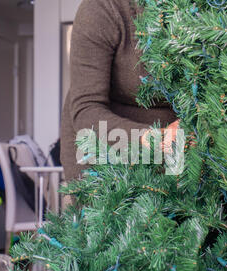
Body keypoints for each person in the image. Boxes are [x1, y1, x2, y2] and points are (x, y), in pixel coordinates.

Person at [61, 0, 179, 182]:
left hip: (181, 149)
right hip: (103, 148)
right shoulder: (101, 8)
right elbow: (86, 110)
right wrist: (156, 138)